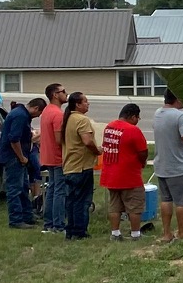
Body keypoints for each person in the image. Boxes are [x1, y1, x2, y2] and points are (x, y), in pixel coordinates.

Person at [151, 90, 183, 242]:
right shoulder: (180, 116)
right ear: (177, 99)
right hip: (178, 167)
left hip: (161, 165)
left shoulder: (158, 113)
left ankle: (166, 234)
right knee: (182, 202)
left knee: (166, 200)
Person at [100, 104, 150, 241]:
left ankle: (115, 233)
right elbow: (143, 151)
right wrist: (143, 162)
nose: (138, 120)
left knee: (115, 206)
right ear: (133, 116)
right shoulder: (133, 130)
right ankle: (135, 234)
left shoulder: (109, 127)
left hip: (111, 174)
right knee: (134, 206)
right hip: (129, 175)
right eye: (137, 117)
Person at [0, 97, 44, 228]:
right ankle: (16, 220)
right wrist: (21, 157)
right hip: (14, 157)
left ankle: (27, 216)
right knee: (15, 189)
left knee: (24, 187)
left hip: (20, 157)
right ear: (35, 108)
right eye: (39, 113)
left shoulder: (21, 113)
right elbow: (13, 139)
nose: (38, 116)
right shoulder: (20, 116)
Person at [60, 92, 101, 240]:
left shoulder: (69, 118)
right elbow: (87, 141)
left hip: (70, 165)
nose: (88, 104)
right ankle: (79, 231)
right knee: (82, 201)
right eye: (85, 101)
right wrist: (97, 151)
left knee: (71, 200)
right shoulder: (82, 120)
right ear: (77, 104)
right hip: (81, 167)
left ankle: (70, 230)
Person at [37, 84, 68, 235]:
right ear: (55, 95)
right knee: (59, 191)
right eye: (63, 91)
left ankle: (48, 224)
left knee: (51, 189)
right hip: (57, 157)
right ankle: (58, 225)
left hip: (47, 156)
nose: (66, 94)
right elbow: (58, 139)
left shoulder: (46, 111)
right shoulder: (57, 114)